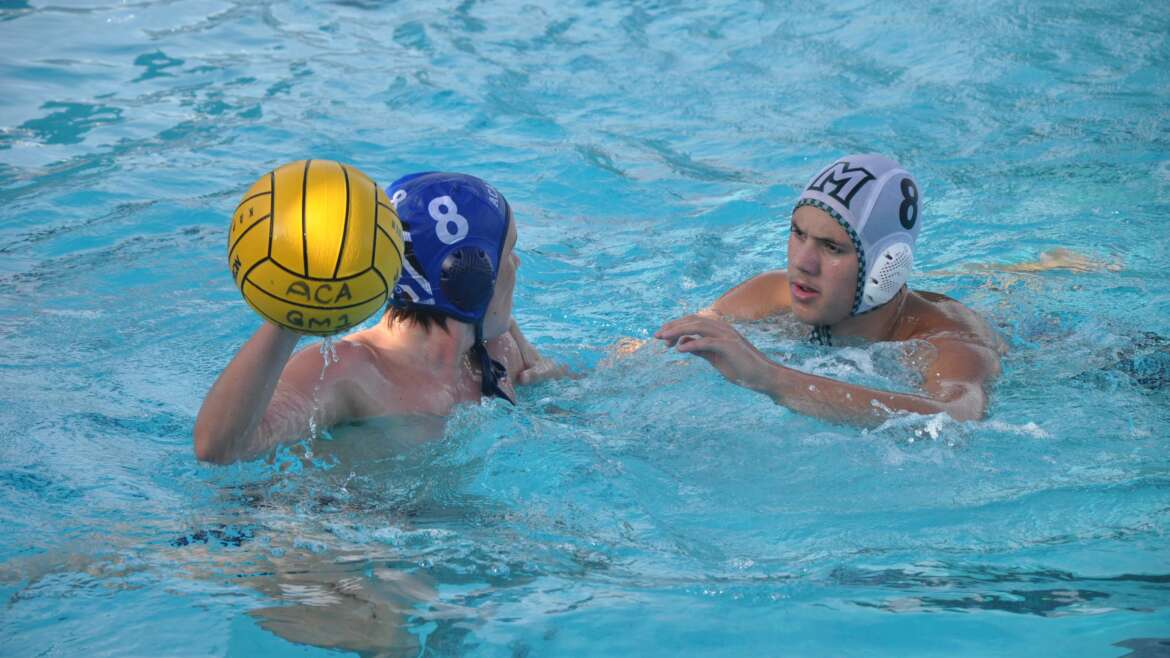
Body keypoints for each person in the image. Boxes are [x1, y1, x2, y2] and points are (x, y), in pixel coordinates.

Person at [195, 172, 563, 464]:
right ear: (469, 275)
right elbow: (221, 449)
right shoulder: (348, 370)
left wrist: (555, 381)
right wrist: (290, 314)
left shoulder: (499, 352)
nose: (517, 264)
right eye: (509, 250)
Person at [655, 154, 1004, 425]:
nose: (802, 263)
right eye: (798, 233)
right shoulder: (773, 294)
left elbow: (956, 416)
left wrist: (771, 378)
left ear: (886, 266)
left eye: (831, 247)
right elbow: (667, 348)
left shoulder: (949, 341)